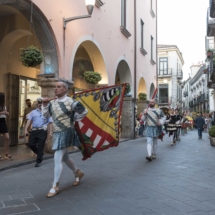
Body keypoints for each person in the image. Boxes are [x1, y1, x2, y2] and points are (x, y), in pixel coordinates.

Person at [41, 81, 88, 198]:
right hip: (57, 132)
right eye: (55, 87)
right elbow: (45, 116)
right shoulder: (52, 103)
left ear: (65, 89)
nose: (56, 89)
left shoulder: (71, 102)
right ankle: (78, 172)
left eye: (59, 87)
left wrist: (73, 119)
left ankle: (55, 186)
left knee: (57, 157)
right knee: (65, 157)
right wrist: (45, 104)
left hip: (66, 132)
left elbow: (84, 111)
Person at [24, 98, 52, 167]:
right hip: (34, 130)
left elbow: (50, 123)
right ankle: (40, 154)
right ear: (37, 104)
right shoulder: (33, 112)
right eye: (39, 103)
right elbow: (28, 121)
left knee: (40, 146)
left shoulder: (47, 112)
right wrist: (25, 129)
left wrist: (50, 132)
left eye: (41, 103)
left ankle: (38, 161)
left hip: (42, 131)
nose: (40, 104)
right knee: (31, 144)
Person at [0, 92, 12, 161]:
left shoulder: (4, 105)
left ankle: (6, 153)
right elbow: (2, 113)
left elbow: (4, 113)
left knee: (7, 137)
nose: (6, 98)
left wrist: (6, 113)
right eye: (5, 96)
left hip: (3, 121)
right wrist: (3, 112)